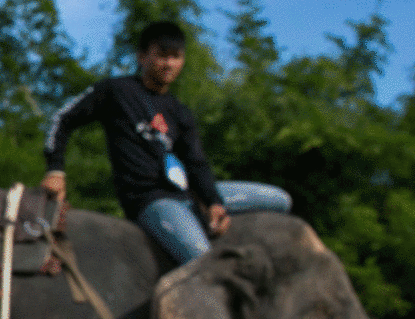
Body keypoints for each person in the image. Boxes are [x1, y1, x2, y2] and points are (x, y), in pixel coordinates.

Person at [39, 20, 289, 265]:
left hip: (187, 196)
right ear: (142, 57)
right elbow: (63, 119)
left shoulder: (179, 111)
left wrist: (213, 203)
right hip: (151, 201)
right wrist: (56, 169)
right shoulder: (116, 91)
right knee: (202, 259)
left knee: (279, 199)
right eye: (162, 55)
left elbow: (196, 162)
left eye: (176, 56)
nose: (169, 63)